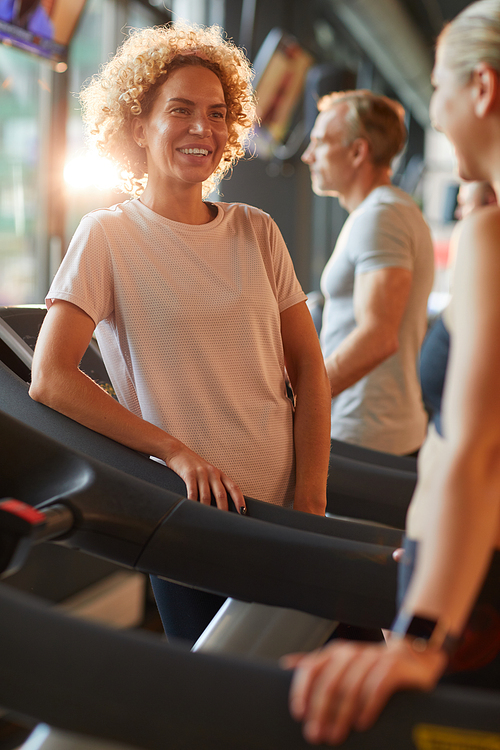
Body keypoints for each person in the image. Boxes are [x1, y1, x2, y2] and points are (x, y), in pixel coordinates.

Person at [29, 23, 331, 642]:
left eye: (218, 114)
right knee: (225, 711)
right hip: (194, 517)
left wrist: (311, 502)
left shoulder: (257, 229)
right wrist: (173, 451)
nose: (204, 129)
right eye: (182, 111)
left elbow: (309, 374)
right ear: (138, 126)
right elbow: (51, 378)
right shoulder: (106, 236)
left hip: (286, 513)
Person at [285, 1, 500, 744]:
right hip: (458, 556)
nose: (433, 115)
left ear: (482, 91)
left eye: (437, 89)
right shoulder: (478, 226)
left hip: (472, 584)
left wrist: (419, 635)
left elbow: (475, 449)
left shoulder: (485, 235)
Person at [302, 91, 435, 455]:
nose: (307, 156)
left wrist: (301, 404)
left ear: (358, 152)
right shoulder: (382, 211)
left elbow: (378, 336)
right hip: (372, 426)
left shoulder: (382, 216)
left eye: (319, 143)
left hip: (366, 432)